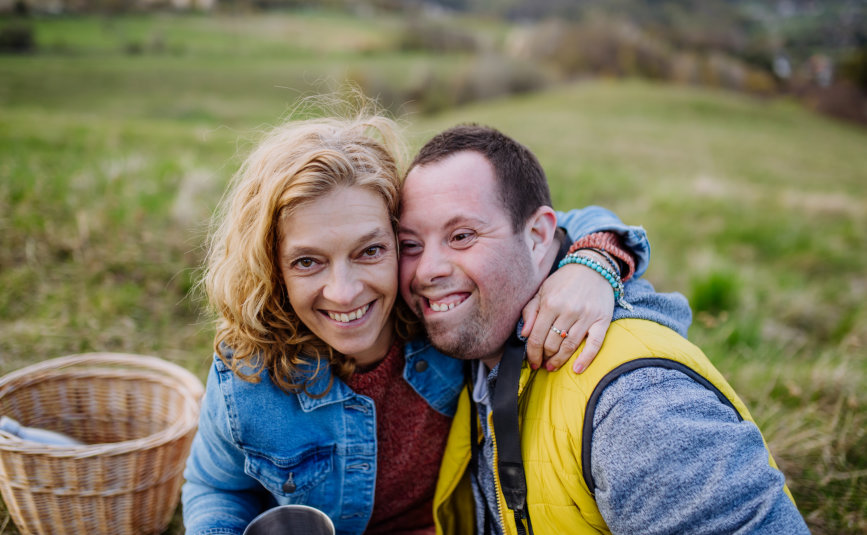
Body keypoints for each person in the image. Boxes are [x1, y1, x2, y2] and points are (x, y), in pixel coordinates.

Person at [180, 110, 659, 535]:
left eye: (370, 251)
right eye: (308, 262)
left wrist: (593, 262)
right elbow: (215, 486)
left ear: (400, 238)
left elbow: (540, 226)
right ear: (272, 266)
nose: (344, 292)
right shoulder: (248, 374)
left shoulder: (443, 323)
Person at [397, 124, 811, 534]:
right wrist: (597, 254)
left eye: (463, 236)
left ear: (540, 235)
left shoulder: (639, 407)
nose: (428, 270)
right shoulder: (480, 334)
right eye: (410, 245)